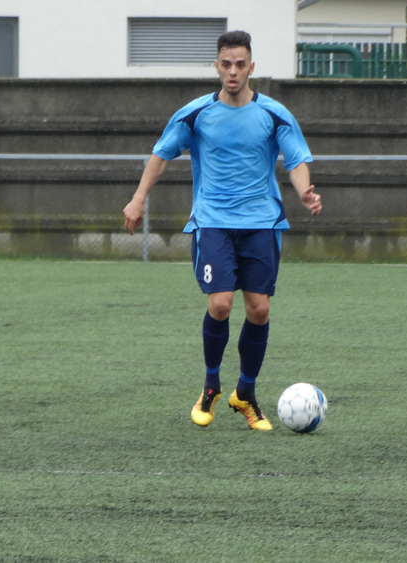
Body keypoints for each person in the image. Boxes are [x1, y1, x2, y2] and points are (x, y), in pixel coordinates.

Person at [122, 31, 321, 430]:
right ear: (216, 66)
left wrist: (304, 192)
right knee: (220, 305)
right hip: (212, 222)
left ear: (251, 67)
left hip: (261, 224)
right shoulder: (195, 114)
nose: (233, 71)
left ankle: (245, 394)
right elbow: (161, 155)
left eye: (240, 65)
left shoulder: (274, 114)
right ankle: (211, 386)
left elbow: (296, 159)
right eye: (226, 64)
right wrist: (138, 198)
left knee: (259, 309)